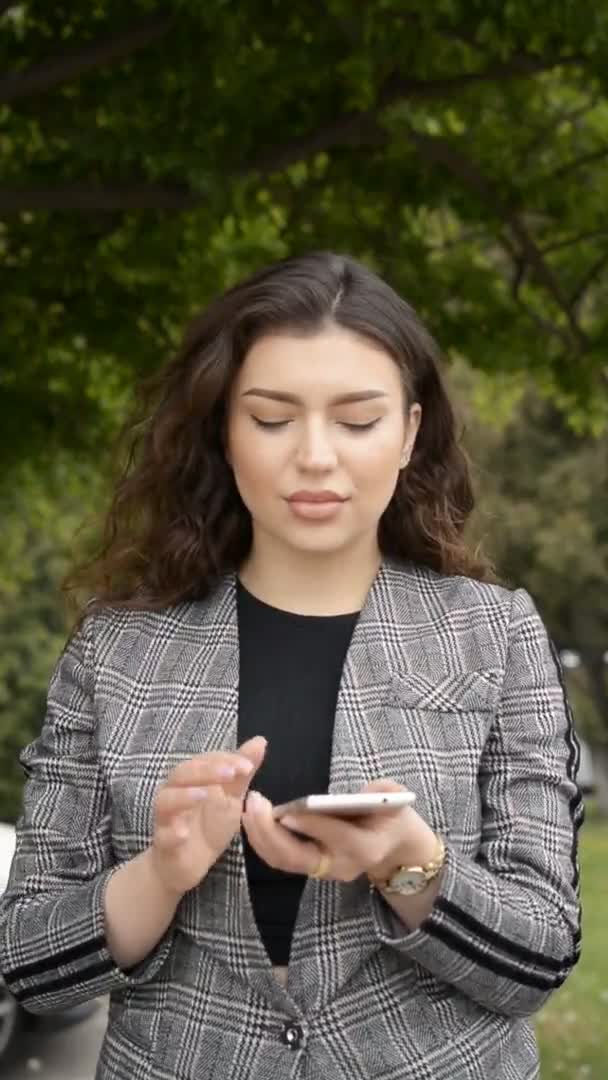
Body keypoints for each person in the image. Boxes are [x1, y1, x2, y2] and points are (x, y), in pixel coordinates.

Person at [0, 252, 583, 1079]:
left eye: (356, 421)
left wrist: (405, 862)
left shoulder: (495, 634)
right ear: (224, 430)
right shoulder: (117, 651)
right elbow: (28, 960)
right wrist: (160, 874)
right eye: (273, 419)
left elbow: (540, 957)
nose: (315, 456)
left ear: (410, 433)